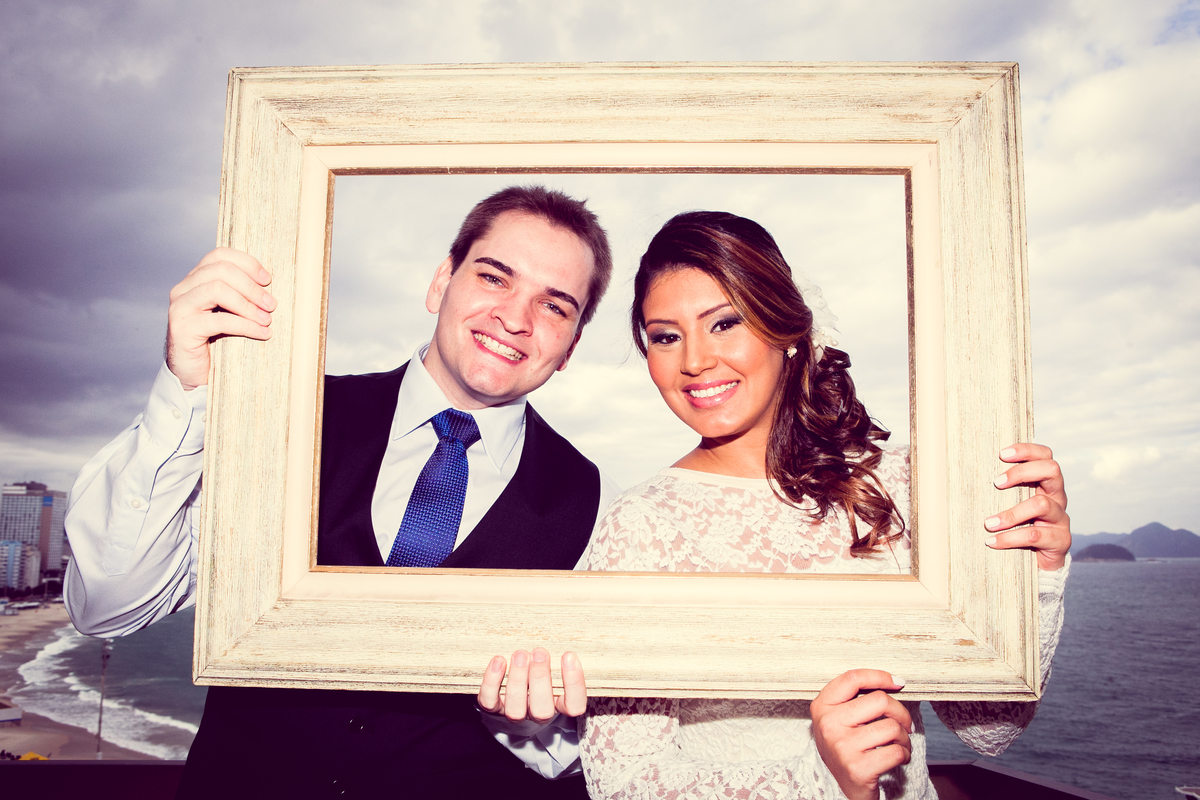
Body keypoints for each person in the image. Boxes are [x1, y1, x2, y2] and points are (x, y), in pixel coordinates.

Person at [64, 186, 618, 799]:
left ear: (571, 347)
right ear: (441, 283)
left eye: (555, 306)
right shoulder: (283, 418)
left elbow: (571, 751)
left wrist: (539, 724)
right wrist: (189, 394)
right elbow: (107, 606)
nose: (516, 318)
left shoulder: (597, 503)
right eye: (494, 277)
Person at [565, 211, 1071, 800]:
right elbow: (624, 782)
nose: (694, 360)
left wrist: (1036, 571)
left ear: (787, 329)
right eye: (665, 336)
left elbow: (989, 730)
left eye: (725, 322)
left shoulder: (902, 485)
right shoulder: (640, 527)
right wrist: (820, 781)